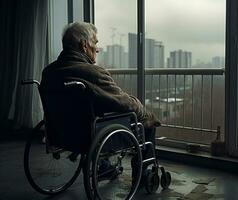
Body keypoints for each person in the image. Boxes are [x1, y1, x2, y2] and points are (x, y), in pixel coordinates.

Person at [40, 22, 160, 182]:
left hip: (61, 133)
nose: (97, 48)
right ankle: (143, 174)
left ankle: (105, 167)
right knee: (147, 124)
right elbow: (123, 103)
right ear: (84, 45)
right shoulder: (92, 73)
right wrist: (145, 112)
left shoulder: (48, 72)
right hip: (87, 136)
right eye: (95, 43)